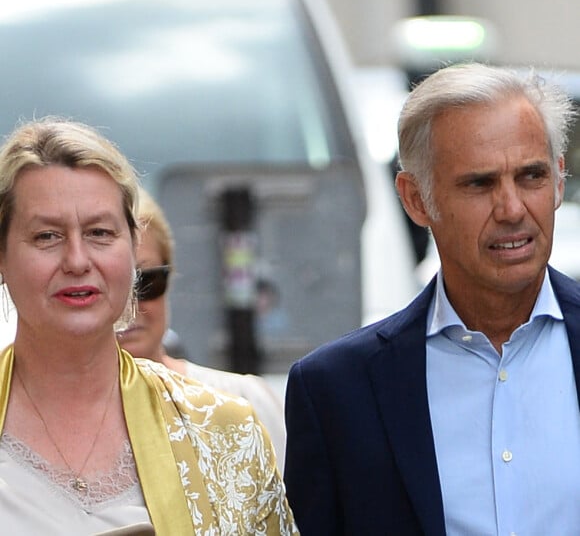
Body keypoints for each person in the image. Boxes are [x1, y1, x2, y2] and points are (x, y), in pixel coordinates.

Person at [283, 62, 580, 535]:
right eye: (479, 183)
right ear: (417, 199)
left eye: (531, 177)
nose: (511, 209)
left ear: (560, 180)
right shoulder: (336, 392)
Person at [0, 117, 298, 535]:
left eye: (100, 232)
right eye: (47, 236)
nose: (77, 260)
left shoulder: (224, 430)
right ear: (3, 256)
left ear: (132, 248)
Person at [117, 188, 287, 472]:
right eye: (110, 287)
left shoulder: (245, 401)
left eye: (147, 282)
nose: (129, 306)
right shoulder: (35, 417)